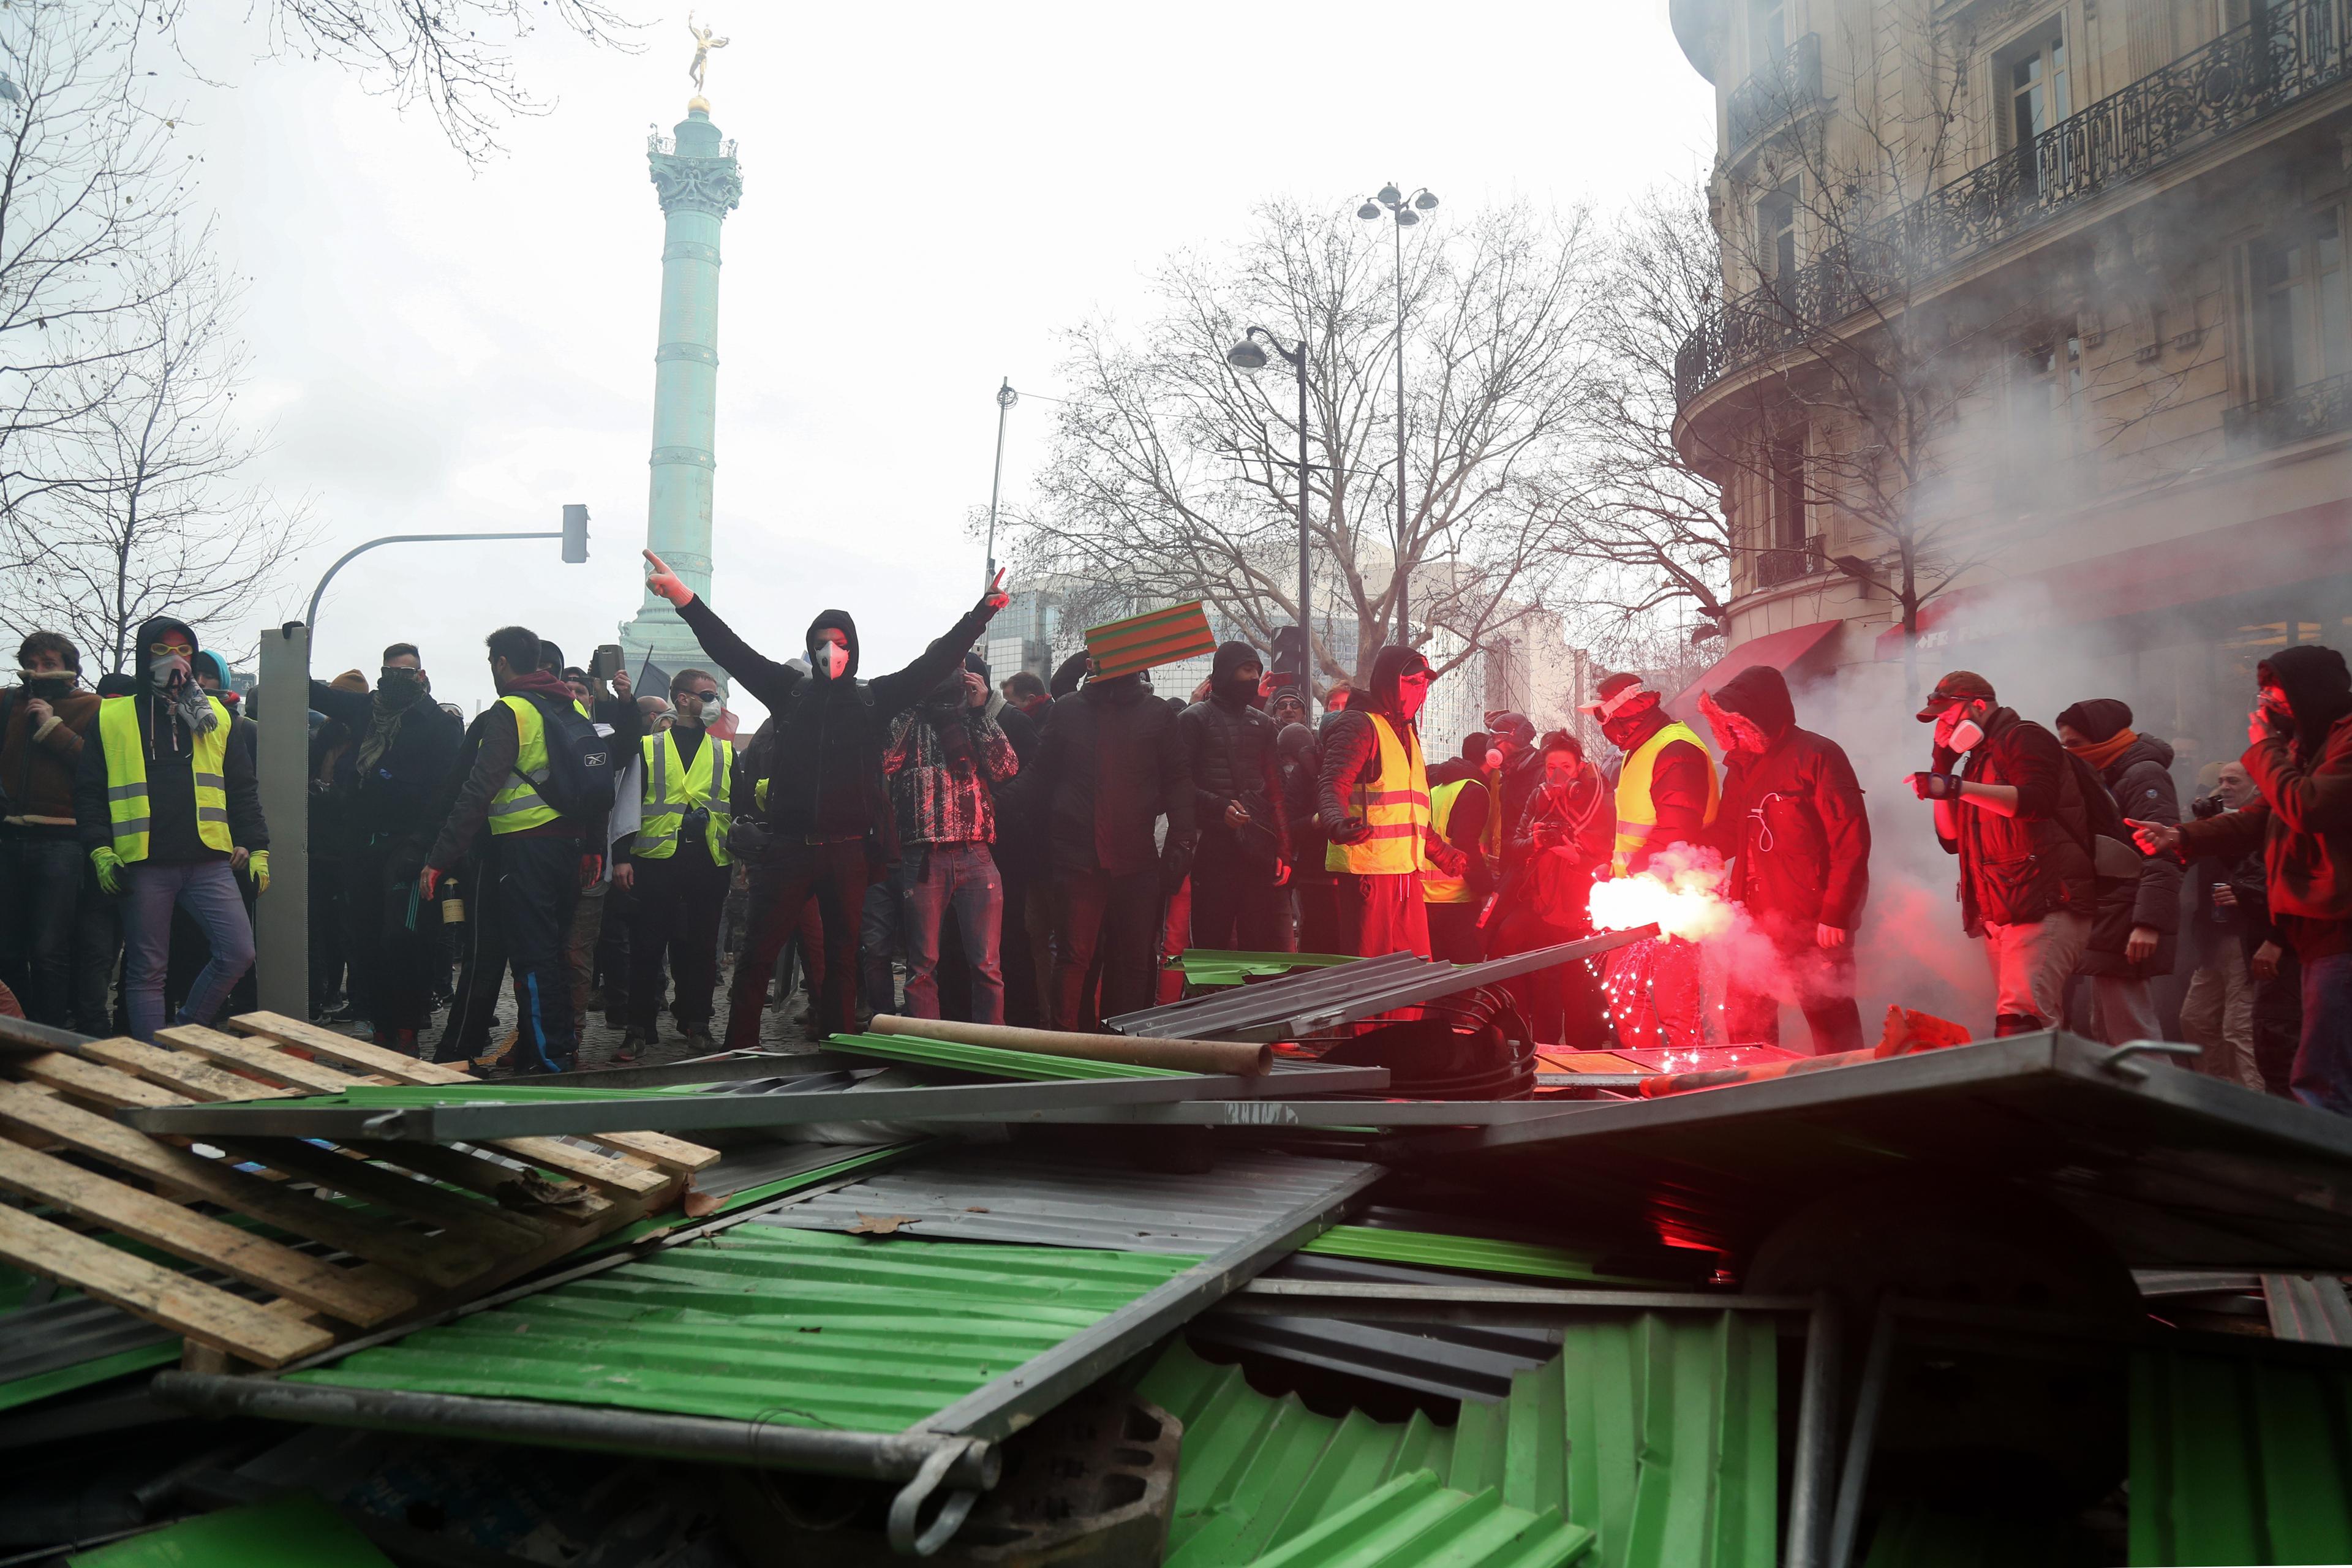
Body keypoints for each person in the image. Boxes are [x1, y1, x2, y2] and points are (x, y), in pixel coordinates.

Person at [643, 550, 1009, 1047]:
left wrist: (980, 614)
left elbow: (936, 662)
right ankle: (739, 1051)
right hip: (790, 847)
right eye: (820, 643)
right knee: (756, 957)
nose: (828, 652)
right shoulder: (788, 690)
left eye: (838, 644)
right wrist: (685, 600)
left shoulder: (875, 699)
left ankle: (834, 1052)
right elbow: (729, 648)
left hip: (849, 849)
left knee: (841, 959)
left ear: (852, 648)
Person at [2136, 646, 2352, 1112]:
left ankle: (2326, 1180)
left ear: (2310, 691)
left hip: (2341, 922)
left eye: (2275, 692)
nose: (2265, 704)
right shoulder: (2304, 747)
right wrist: (2179, 836)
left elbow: (2307, 806)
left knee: (2326, 1074)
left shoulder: (2345, 740)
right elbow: (2259, 817)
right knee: (2315, 1064)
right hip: (2315, 926)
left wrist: (2263, 750)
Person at [74, 617, 268, 1042]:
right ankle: (150, 1064)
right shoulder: (112, 716)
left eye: (183, 651)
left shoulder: (215, 716)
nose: (174, 660)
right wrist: (100, 850)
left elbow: (241, 786)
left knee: (238, 952)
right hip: (144, 861)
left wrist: (256, 846)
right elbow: (88, 793)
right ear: (144, 657)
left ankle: (184, 1034)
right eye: (162, 652)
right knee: (148, 970)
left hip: (207, 858)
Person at [420, 626, 595, 1073]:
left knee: (532, 960)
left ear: (501, 663)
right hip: (569, 848)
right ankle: (557, 1050)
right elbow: (593, 780)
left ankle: (549, 1062)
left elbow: (479, 789)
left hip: (523, 848)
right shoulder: (570, 704)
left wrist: (440, 857)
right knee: (553, 954)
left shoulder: (510, 710)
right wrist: (593, 846)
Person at [1909, 670, 2095, 1038]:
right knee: (2026, 1024)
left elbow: (2036, 803)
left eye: (1948, 716)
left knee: (2023, 1024)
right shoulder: (1977, 759)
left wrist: (1957, 786)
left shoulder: (2025, 737)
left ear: (1978, 706)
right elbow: (1951, 840)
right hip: (2007, 905)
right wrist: (1941, 771)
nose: (1944, 727)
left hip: (2044, 899)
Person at [1020, 655, 1196, 1030]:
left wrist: (1182, 840)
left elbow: (1178, 780)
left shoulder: (1157, 714)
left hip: (1136, 859)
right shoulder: (1069, 710)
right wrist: (998, 810)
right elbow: (1039, 775)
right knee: (1075, 958)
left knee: (1131, 960)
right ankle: (1066, 1046)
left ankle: (1122, 1045)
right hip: (1078, 857)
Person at [1700, 666, 1869, 1055]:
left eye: (1737, 724)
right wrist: (1681, 855)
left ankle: (1847, 1095)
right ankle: (1754, 1098)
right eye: (1727, 726)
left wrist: (1836, 914)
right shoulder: (1739, 767)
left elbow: (1851, 842)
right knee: (1745, 1023)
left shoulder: (1819, 755)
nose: (1732, 734)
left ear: (1762, 716)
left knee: (1830, 1019)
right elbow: (1728, 833)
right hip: (1752, 919)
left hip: (1811, 919)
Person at [309, 644, 464, 1056]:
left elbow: (444, 793)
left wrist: (422, 845)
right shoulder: (366, 711)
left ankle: (408, 1029)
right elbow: (315, 693)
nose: (398, 679)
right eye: (390, 672)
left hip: (410, 848)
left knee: (404, 940)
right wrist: (294, 648)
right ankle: (382, 1028)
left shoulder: (438, 725)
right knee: (364, 941)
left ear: (422, 675)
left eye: (406, 673)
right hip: (361, 844)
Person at [1584, 672, 1719, 1050]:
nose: (1607, 731)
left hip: (1677, 900)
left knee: (1677, 1007)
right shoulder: (1641, 748)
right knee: (1626, 995)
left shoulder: (1675, 749)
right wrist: (1614, 873)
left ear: (1625, 715)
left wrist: (1627, 884)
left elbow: (1677, 835)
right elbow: (1638, 829)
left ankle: (1687, 1092)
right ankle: (1644, 1075)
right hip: (1639, 897)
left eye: (1608, 721)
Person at [884, 665, 1017, 1022]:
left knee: (988, 965)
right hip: (924, 857)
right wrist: (913, 700)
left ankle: (991, 1053)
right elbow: (884, 761)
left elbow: (1006, 767)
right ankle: (926, 1052)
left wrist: (979, 709)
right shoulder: (910, 721)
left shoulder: (974, 720)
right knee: (922, 965)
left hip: (976, 854)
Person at [617, 668, 734, 1057]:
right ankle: (638, 1028)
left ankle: (698, 1024)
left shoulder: (725, 751)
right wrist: (621, 858)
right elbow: (628, 804)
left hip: (709, 861)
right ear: (682, 699)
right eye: (707, 695)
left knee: (702, 949)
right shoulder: (648, 747)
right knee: (647, 947)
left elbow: (739, 806)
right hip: (656, 860)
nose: (714, 703)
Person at [0, 632, 108, 1032]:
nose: (39, 670)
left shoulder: (92, 707)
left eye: (48, 662)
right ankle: (16, 1033)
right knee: (8, 949)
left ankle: (51, 1033)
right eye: (33, 662)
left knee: (50, 950)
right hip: (9, 839)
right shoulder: (9, 701)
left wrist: (52, 727)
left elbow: (98, 770)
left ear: (70, 665)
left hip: (64, 842)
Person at [2056, 699, 2180, 1046]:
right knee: (2110, 1031)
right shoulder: (2104, 775)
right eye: (2064, 745)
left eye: (2076, 744)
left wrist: (2148, 924)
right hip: (2111, 917)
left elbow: (2164, 853)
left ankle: (2155, 1099)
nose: (2069, 753)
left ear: (2103, 739)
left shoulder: (2143, 775)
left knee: (2133, 1036)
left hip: (2127, 920)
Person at [1488, 732, 1613, 1044]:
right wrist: (1536, 841)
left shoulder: (1599, 798)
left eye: (1566, 767)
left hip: (1580, 912)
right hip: (1541, 907)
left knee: (1578, 995)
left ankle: (1584, 1070)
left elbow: (1608, 857)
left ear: (1579, 767)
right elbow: (1513, 846)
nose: (1557, 775)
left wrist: (1576, 858)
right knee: (1544, 987)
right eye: (1550, 767)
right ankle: (1546, 1061)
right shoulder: (1538, 797)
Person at [1317, 647, 1438, 959]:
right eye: (1412, 682)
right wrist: (1336, 823)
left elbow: (1411, 812)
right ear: (1388, 682)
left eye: (1424, 683)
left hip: (1405, 873)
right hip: (1368, 875)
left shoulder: (1406, 732)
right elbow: (1333, 783)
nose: (1420, 690)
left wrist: (1442, 852)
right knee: (1372, 975)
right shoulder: (1359, 725)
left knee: (1414, 972)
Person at [1179, 641, 1292, 952]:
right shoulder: (1194, 719)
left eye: (1256, 671)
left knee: (1259, 944)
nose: (1254, 677)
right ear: (1227, 672)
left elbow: (1276, 792)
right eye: (1246, 670)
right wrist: (1218, 808)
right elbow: (1177, 785)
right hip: (1210, 850)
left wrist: (1284, 849)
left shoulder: (1264, 724)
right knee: (1210, 942)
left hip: (1256, 851)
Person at [2178, 760, 2264, 1090]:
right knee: (2195, 1019)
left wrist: (2245, 894)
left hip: (2248, 938)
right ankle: (2218, 1093)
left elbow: (2268, 873)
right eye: (2221, 781)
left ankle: (2257, 1110)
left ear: (2256, 787)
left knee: (2238, 1029)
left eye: (2234, 781)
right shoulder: (2214, 820)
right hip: (2214, 939)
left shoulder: (2265, 823)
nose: (2225, 787)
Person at [1422, 748, 1494, 964]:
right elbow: (1465, 845)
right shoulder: (1476, 790)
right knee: (1464, 971)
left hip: (1426, 897)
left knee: (1435, 971)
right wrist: (1486, 888)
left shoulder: (1438, 789)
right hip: (1458, 896)